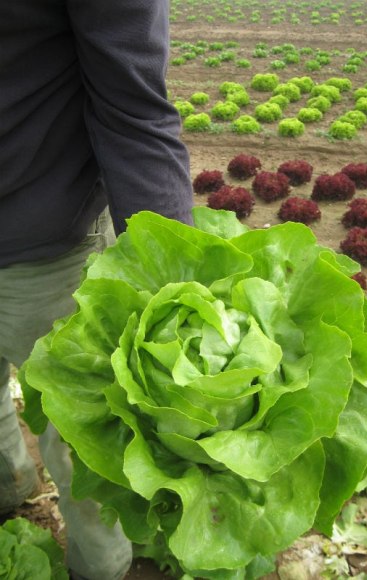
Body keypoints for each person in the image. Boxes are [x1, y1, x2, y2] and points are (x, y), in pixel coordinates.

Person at [0, 2, 193, 578]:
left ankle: (99, 567)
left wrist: (175, 298)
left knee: (86, 447)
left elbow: (134, 111)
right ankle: (11, 490)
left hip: (45, 251)